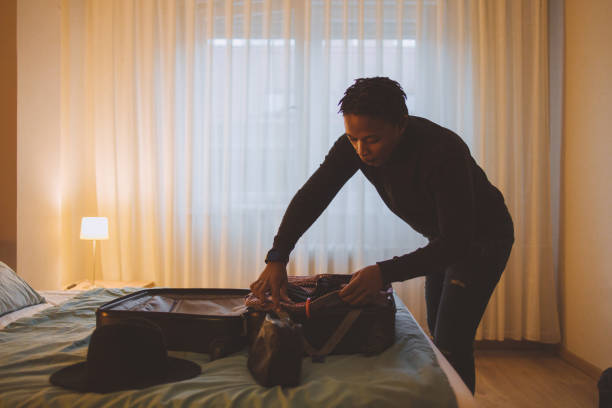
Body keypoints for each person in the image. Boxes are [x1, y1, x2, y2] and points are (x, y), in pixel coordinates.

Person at [249, 77, 514, 394]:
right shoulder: (354, 145)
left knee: (451, 345)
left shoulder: (443, 150)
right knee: (438, 339)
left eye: (372, 139)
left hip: (482, 242)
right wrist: (278, 256)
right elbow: (313, 196)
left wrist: (384, 272)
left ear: (401, 124)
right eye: (353, 138)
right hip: (442, 241)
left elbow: (457, 243)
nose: (361, 150)